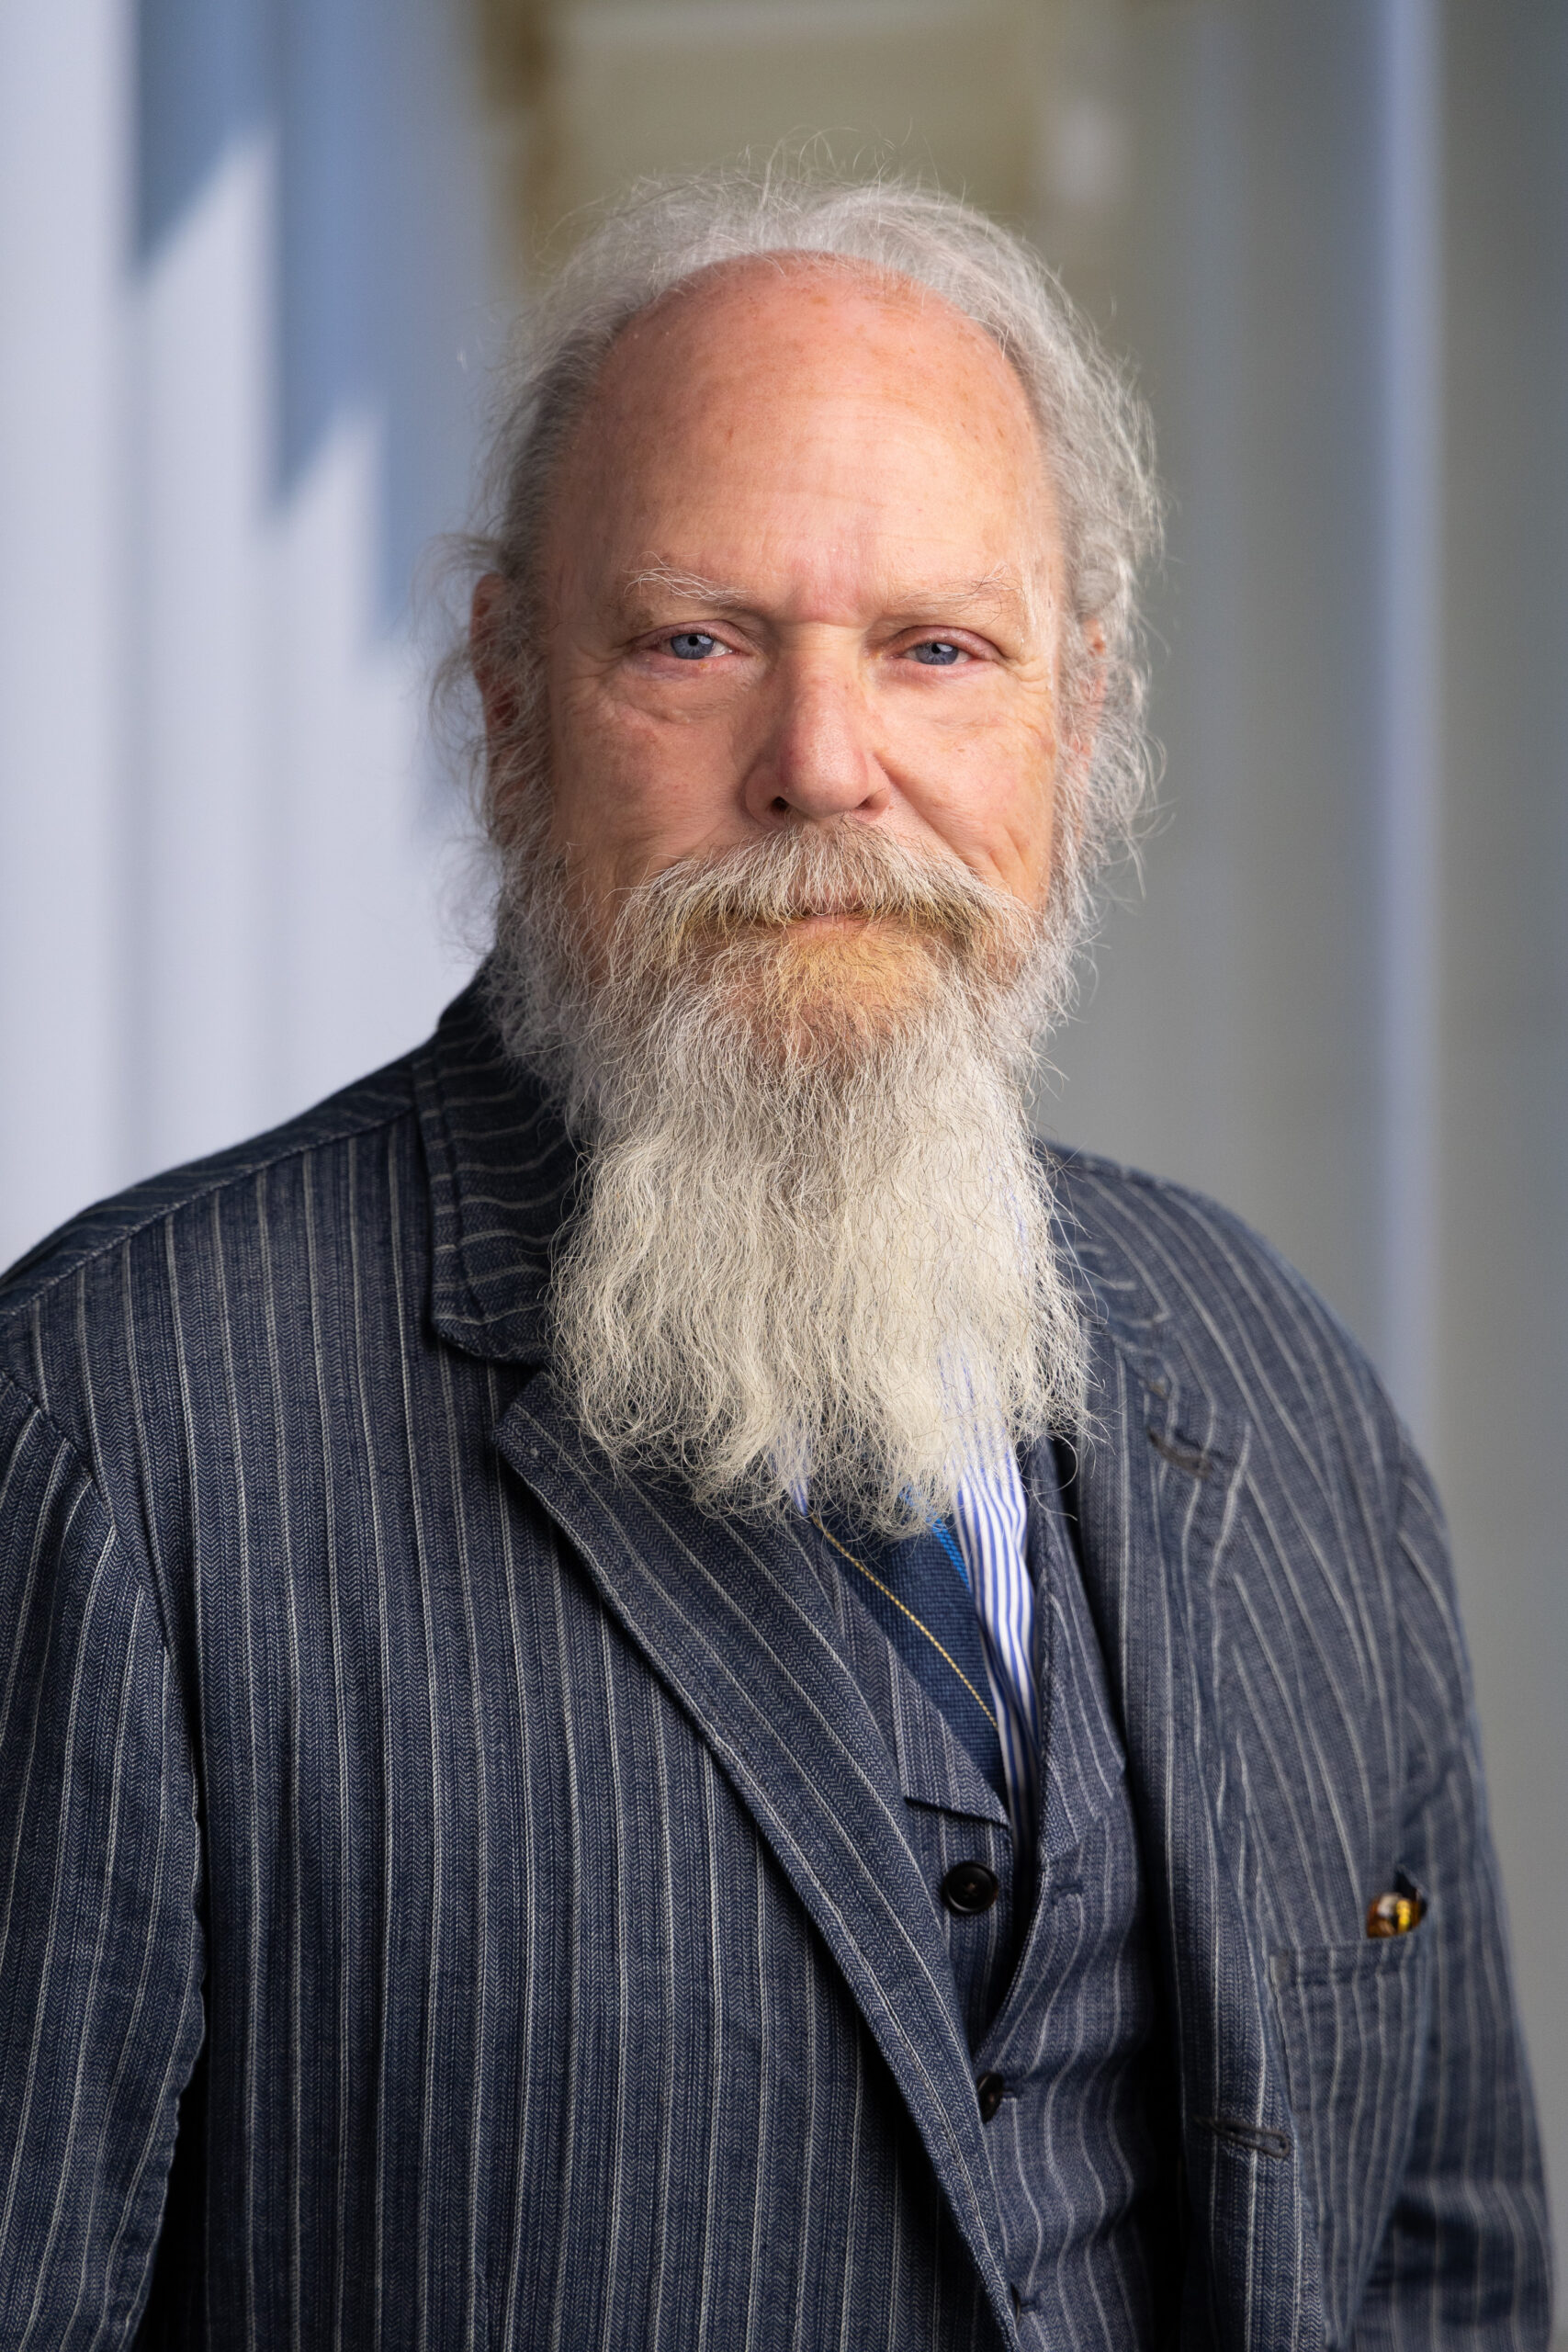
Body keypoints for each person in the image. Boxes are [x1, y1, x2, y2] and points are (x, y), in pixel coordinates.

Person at [0, 166, 1550, 2350]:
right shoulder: (115, 1427)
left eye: (936, 649)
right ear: (508, 696)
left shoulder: (1277, 1388)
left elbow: (1441, 2275)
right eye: (696, 640)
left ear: (1073, 725)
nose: (824, 766)